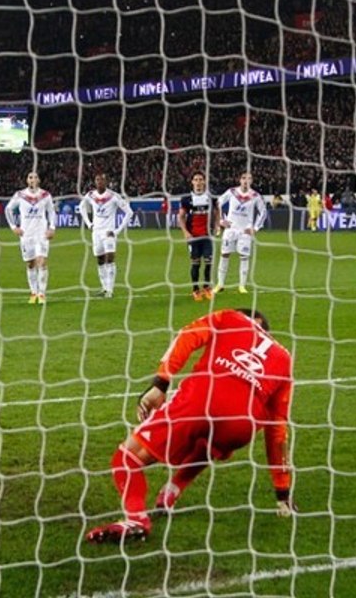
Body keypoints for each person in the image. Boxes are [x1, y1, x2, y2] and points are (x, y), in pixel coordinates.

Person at [85, 308, 294, 544]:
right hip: (242, 426)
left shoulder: (230, 318)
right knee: (211, 444)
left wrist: (161, 382)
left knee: (126, 458)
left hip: (201, 400)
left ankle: (136, 520)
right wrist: (282, 491)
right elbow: (277, 431)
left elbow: (189, 335)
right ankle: (171, 491)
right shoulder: (284, 359)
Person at [79, 173, 133, 298]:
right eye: (97, 180)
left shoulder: (113, 196)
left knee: (110, 258)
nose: (99, 182)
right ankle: (104, 288)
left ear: (106, 182)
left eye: (102, 180)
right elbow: (81, 207)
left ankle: (110, 290)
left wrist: (116, 231)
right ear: (95, 181)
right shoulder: (91, 195)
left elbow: (129, 212)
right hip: (96, 232)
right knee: (100, 259)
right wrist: (89, 224)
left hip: (108, 232)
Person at [5, 171, 56, 304]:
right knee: (30, 264)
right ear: (27, 181)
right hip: (26, 235)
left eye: (35, 177)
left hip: (41, 234)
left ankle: (42, 294)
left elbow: (51, 212)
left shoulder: (45, 195)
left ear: (39, 180)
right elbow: (8, 209)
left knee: (42, 262)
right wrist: (13, 227)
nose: (32, 179)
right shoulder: (20, 195)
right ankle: (33, 293)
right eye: (30, 177)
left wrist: (52, 228)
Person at [214, 172, 267, 294]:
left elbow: (263, 212)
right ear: (239, 180)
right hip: (230, 230)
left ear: (252, 181)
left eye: (249, 178)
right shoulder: (232, 192)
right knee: (224, 254)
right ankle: (220, 284)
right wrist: (221, 220)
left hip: (245, 231)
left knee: (244, 257)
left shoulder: (255, 196)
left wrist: (255, 228)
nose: (246, 181)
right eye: (243, 178)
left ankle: (242, 286)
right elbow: (218, 203)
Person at [177, 172, 221, 301]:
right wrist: (185, 232)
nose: (198, 182)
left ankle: (207, 287)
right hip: (193, 237)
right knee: (195, 264)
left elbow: (217, 210)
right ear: (192, 182)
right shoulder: (187, 199)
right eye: (196, 179)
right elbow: (181, 216)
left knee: (209, 262)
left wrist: (217, 225)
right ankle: (195, 290)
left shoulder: (211, 197)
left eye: (201, 179)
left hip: (207, 236)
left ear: (204, 182)